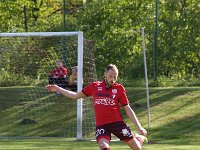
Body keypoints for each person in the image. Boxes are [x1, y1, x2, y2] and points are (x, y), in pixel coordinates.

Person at [46, 64, 147, 150]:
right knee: (104, 146)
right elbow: (75, 96)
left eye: (115, 77)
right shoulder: (94, 86)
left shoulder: (119, 89)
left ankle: (139, 138)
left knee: (137, 148)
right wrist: (58, 89)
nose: (113, 79)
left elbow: (127, 108)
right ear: (105, 74)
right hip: (102, 125)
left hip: (117, 124)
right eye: (111, 76)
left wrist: (139, 127)